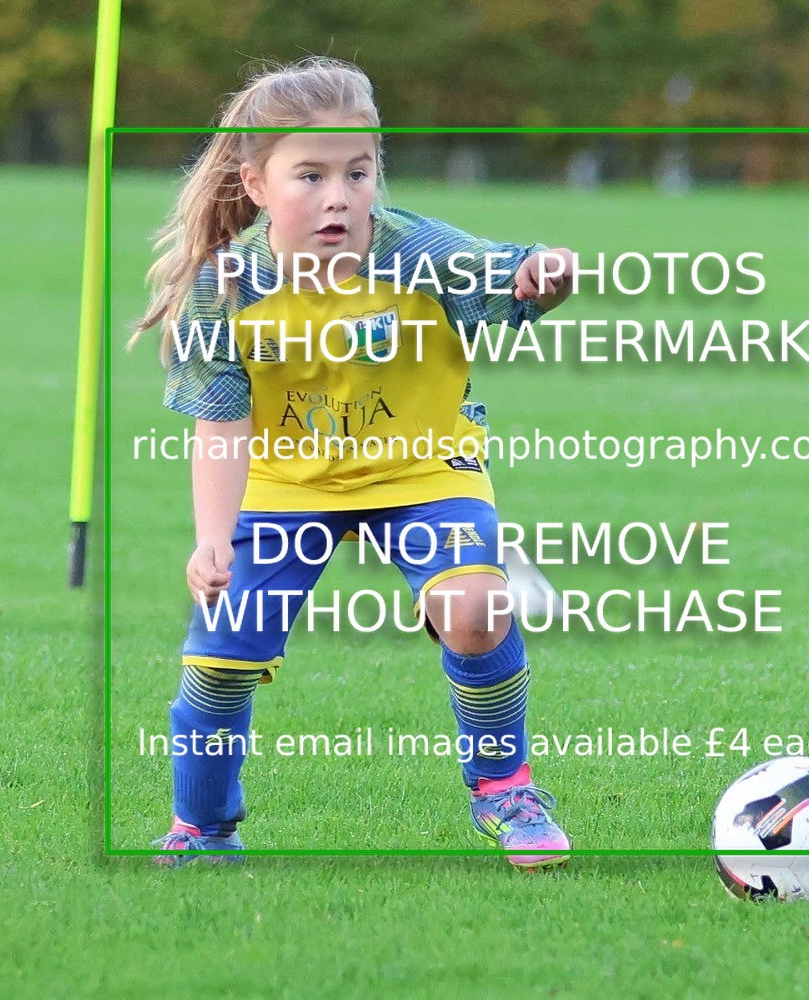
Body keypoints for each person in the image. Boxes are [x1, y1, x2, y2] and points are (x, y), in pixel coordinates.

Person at [133, 57, 574, 870]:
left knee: (477, 610)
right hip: (286, 486)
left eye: (358, 172)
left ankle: (505, 790)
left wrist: (544, 277)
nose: (339, 195)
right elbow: (222, 424)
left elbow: (510, 277)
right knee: (222, 661)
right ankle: (203, 828)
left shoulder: (417, 250)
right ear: (256, 184)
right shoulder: (224, 286)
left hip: (423, 470)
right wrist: (212, 537)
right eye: (311, 174)